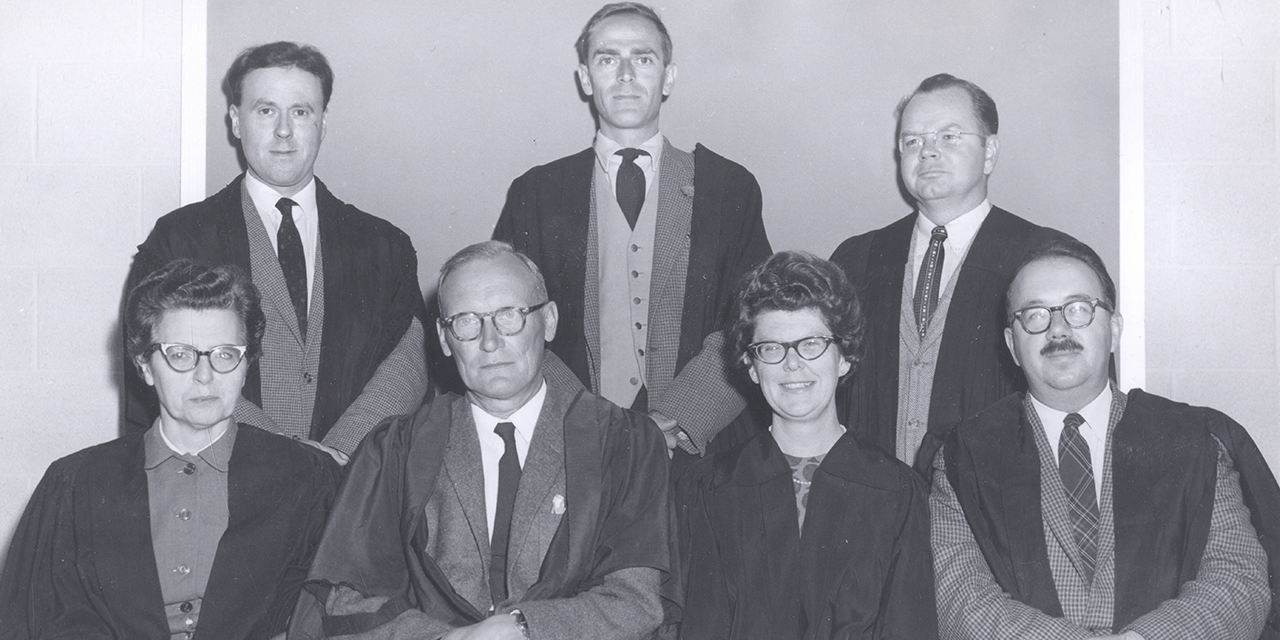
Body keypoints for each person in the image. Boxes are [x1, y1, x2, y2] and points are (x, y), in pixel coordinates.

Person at [292, 241, 671, 640]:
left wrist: (522, 629)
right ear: (443, 337)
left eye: (509, 315)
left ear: (550, 320)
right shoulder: (394, 449)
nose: (490, 342)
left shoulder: (623, 441)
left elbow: (636, 601)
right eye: (467, 321)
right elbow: (350, 602)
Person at [930, 236, 1278, 639]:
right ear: (1012, 344)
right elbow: (958, 598)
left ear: (1113, 330)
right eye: (1036, 315)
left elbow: (1238, 577)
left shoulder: (1195, 441)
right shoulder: (964, 455)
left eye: (1079, 309)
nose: (1058, 328)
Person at [0, 259, 340, 640]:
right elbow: (35, 622)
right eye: (180, 354)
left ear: (246, 366)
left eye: (225, 354)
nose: (205, 375)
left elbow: (330, 613)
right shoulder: (75, 485)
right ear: (145, 365)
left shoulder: (306, 478)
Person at [124, 41, 428, 465]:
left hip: (354, 484)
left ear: (323, 123)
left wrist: (338, 456)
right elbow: (162, 369)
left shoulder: (383, 246)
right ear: (235, 121)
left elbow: (407, 361)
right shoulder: (181, 239)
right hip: (226, 481)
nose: (284, 130)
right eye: (266, 110)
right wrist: (287, 457)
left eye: (300, 112)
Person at [494, 2, 771, 465]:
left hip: (698, 452)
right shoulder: (536, 193)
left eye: (643, 58)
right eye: (607, 59)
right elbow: (511, 325)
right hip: (572, 444)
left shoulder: (729, 188)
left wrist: (679, 419)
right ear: (586, 78)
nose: (625, 74)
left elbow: (753, 322)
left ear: (668, 77)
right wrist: (587, 420)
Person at [677, 251, 936, 639]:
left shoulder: (898, 492)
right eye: (771, 348)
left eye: (811, 343)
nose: (792, 363)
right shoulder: (708, 488)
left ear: (844, 356)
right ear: (752, 366)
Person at [829, 73, 1065, 472]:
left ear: (990, 152)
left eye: (949, 137)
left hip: (993, 514)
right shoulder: (856, 259)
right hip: (872, 513)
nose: (928, 152)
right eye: (912, 141)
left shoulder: (1044, 258)